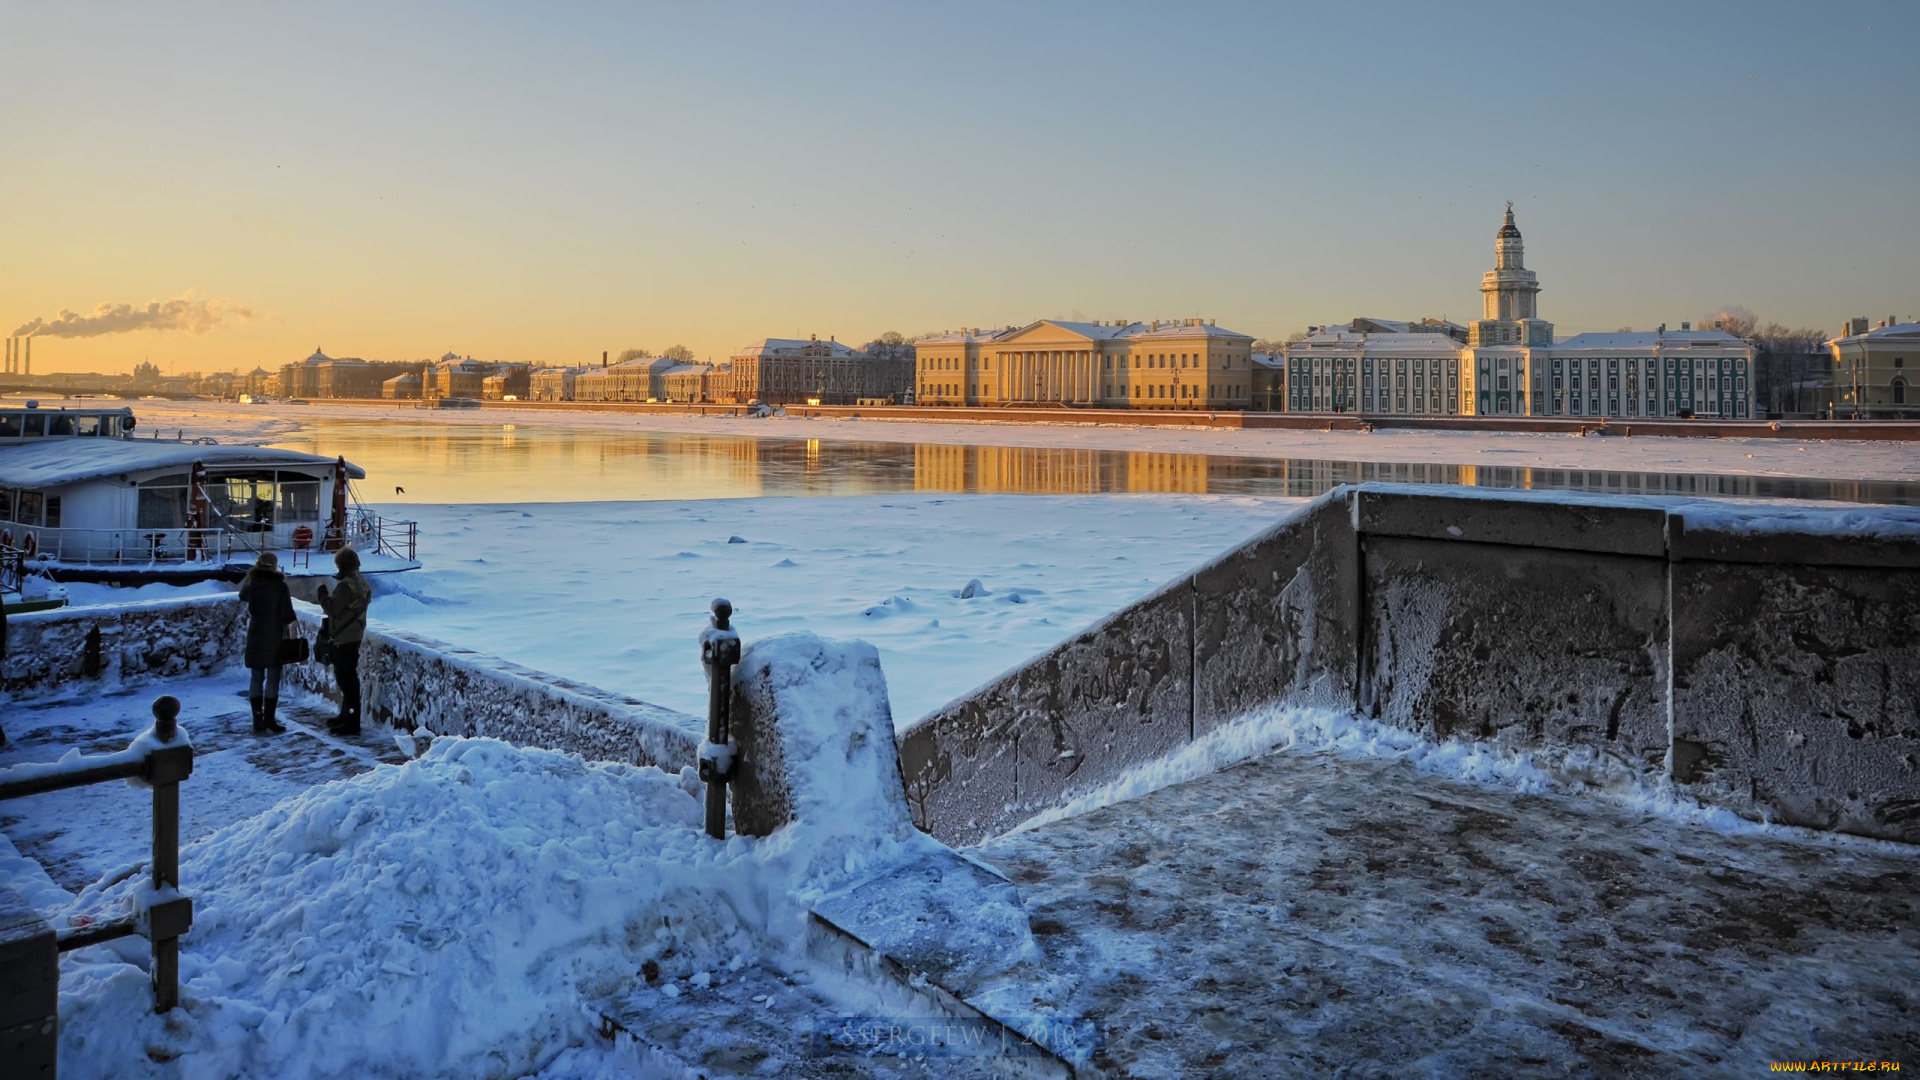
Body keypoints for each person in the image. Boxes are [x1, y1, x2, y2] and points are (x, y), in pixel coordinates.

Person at [317, 546, 372, 735]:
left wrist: (322, 596)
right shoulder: (362, 583)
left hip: (343, 637)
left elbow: (333, 609)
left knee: (346, 680)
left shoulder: (345, 586)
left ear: (342, 565)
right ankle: (346, 717)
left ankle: (351, 723)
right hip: (355, 634)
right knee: (349, 680)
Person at [237, 551, 294, 735]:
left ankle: (257, 720)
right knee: (273, 676)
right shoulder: (280, 586)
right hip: (273, 632)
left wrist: (251, 576)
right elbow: (287, 613)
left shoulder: (252, 583)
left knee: (256, 676)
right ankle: (269, 720)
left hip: (255, 631)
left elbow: (242, 596)